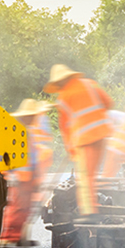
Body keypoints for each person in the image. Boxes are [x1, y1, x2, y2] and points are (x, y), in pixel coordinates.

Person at [46, 64, 115, 215]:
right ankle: (94, 207)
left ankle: (89, 213)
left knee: (84, 177)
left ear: (58, 83)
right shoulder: (90, 84)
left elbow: (65, 128)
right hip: (102, 135)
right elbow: (109, 103)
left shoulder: (63, 98)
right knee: (93, 174)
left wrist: (71, 150)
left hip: (84, 139)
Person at [2, 99, 54, 248]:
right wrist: (11, 176)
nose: (33, 118)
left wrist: (36, 179)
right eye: (31, 116)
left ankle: (18, 236)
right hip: (19, 177)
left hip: (28, 178)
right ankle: (7, 237)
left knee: (26, 209)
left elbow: (33, 158)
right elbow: (7, 156)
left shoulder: (29, 133)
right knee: (16, 208)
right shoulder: (16, 132)